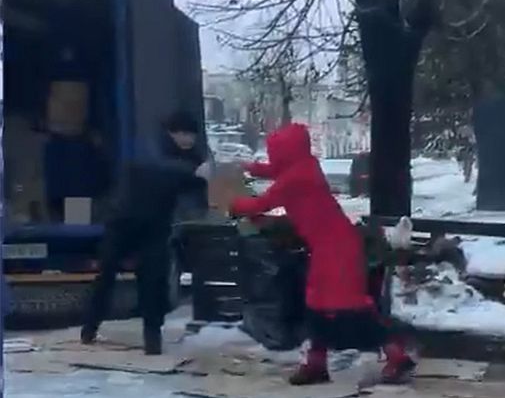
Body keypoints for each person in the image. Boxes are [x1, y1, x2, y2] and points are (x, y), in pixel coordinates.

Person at [231, 123, 416, 385]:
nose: (273, 158)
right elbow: (276, 171)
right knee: (317, 305)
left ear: (285, 152)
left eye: (275, 152)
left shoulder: (296, 178)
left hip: (337, 250)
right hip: (330, 247)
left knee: (348, 310)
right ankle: (316, 364)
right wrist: (249, 167)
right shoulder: (304, 165)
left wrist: (229, 201)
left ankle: (396, 356)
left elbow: (261, 203)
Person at [80, 112, 210, 355]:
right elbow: (158, 170)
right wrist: (193, 173)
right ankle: (90, 327)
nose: (190, 140)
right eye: (186, 134)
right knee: (106, 275)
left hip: (155, 226)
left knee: (153, 281)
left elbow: (194, 183)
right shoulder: (153, 147)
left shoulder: (190, 157)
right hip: (124, 221)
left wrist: (203, 181)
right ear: (174, 132)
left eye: (192, 135)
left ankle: (153, 339)